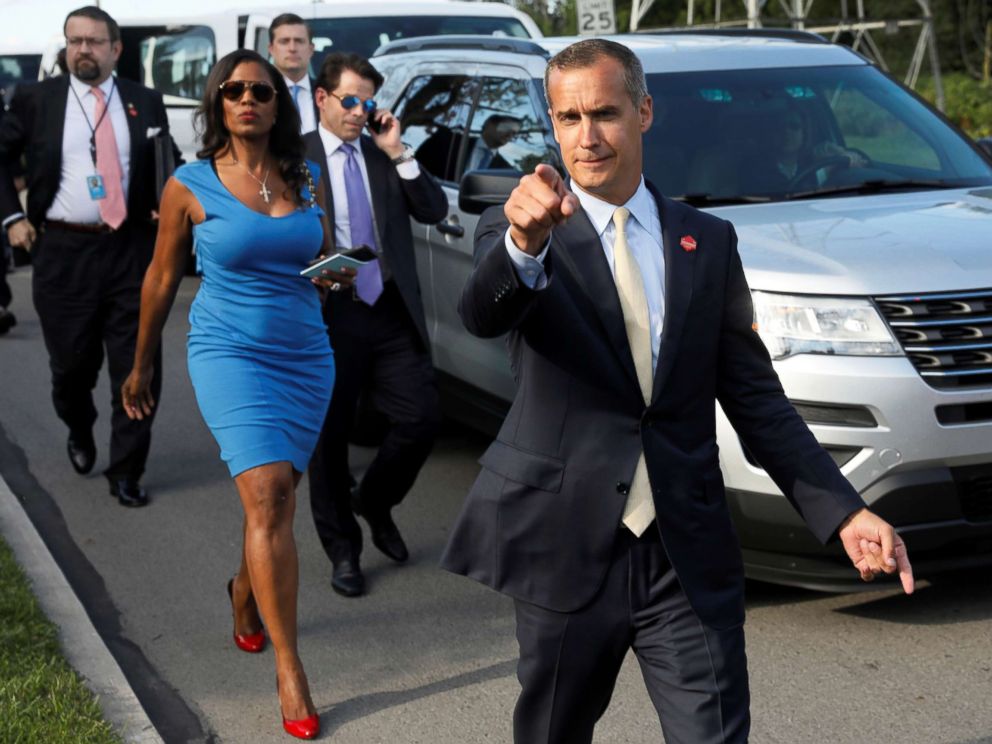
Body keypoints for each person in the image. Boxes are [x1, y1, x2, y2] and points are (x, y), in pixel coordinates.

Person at [441, 39, 914, 743]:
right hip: (565, 547)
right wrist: (523, 244)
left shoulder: (707, 242)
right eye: (569, 118)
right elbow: (482, 313)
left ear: (644, 112)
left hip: (684, 555)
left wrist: (844, 513)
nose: (587, 137)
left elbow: (756, 400)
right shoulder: (520, 232)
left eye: (605, 113)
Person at [121, 49, 348, 740]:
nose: (247, 99)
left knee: (275, 500)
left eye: (261, 90)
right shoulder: (188, 185)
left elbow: (313, 255)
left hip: (305, 355)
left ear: (279, 104)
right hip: (229, 352)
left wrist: (331, 272)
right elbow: (161, 279)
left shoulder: (304, 176)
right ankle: (290, 667)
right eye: (234, 90)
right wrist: (141, 366)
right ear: (218, 103)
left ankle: (245, 592)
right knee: (270, 494)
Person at [0, 5, 181, 506]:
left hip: (131, 251)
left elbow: (168, 160)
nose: (82, 49)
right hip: (63, 253)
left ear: (115, 49)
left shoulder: (145, 101)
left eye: (94, 41)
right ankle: (79, 426)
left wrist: (167, 200)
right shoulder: (36, 99)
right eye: (74, 40)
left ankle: (126, 470)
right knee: (71, 369)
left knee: (138, 363)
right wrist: (12, 218)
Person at [304, 52, 447, 598]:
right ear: (322, 98)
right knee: (329, 440)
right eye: (349, 101)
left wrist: (398, 151)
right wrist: (316, 269)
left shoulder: (382, 152)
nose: (359, 112)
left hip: (387, 307)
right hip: (328, 311)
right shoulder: (295, 157)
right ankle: (343, 550)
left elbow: (433, 210)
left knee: (421, 417)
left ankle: (375, 500)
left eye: (366, 103)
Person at [269, 13, 318, 135]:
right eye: (284, 41)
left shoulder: (326, 93)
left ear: (311, 49)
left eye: (299, 41)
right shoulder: (262, 93)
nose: (292, 48)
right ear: (271, 49)